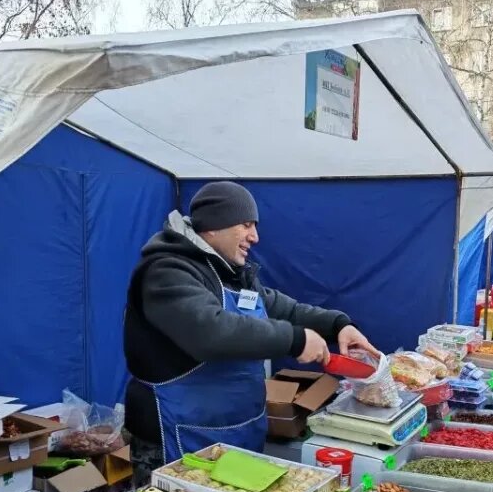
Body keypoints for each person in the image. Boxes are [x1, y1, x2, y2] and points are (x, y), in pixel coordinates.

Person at [123, 181, 376, 469]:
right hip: (178, 439)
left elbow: (284, 308)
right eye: (245, 225)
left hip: (238, 434)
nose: (254, 237)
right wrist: (295, 340)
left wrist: (338, 325)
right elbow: (210, 332)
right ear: (214, 225)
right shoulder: (167, 271)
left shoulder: (232, 273)